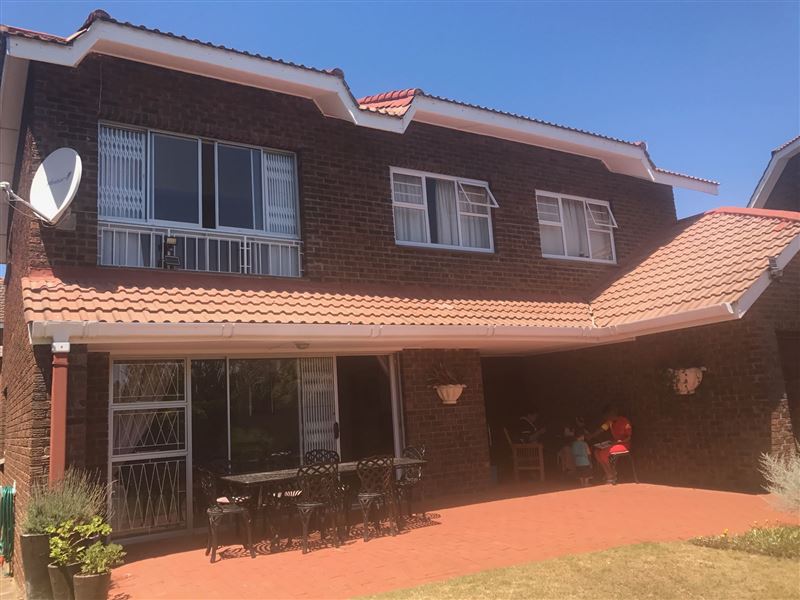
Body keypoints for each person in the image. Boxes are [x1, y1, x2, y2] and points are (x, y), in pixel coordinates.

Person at [589, 404, 632, 483]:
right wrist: (591, 436)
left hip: (624, 444)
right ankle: (609, 473)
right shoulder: (609, 422)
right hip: (615, 443)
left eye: (607, 416)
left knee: (603, 453)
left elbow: (628, 437)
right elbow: (601, 429)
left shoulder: (624, 421)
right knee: (596, 452)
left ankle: (611, 474)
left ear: (612, 414)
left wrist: (619, 441)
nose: (606, 418)